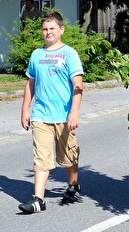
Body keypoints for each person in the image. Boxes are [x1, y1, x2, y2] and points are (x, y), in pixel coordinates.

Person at [18, 11, 84, 214]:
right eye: (45, 29)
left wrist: (74, 113)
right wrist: (25, 109)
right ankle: (39, 199)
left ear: (61, 29)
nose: (48, 32)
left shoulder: (69, 54)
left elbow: (78, 86)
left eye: (52, 28)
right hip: (41, 116)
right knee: (41, 158)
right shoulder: (36, 55)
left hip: (64, 117)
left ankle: (73, 185)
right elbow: (30, 83)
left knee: (68, 157)